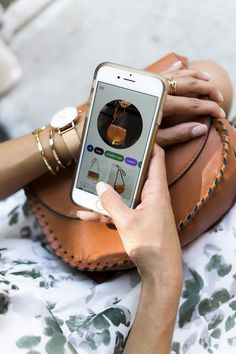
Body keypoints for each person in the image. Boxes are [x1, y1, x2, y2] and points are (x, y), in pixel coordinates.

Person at [0, 59, 235, 354]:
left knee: (208, 86)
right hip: (156, 315)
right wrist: (163, 273)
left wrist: (74, 136)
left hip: (37, 234)